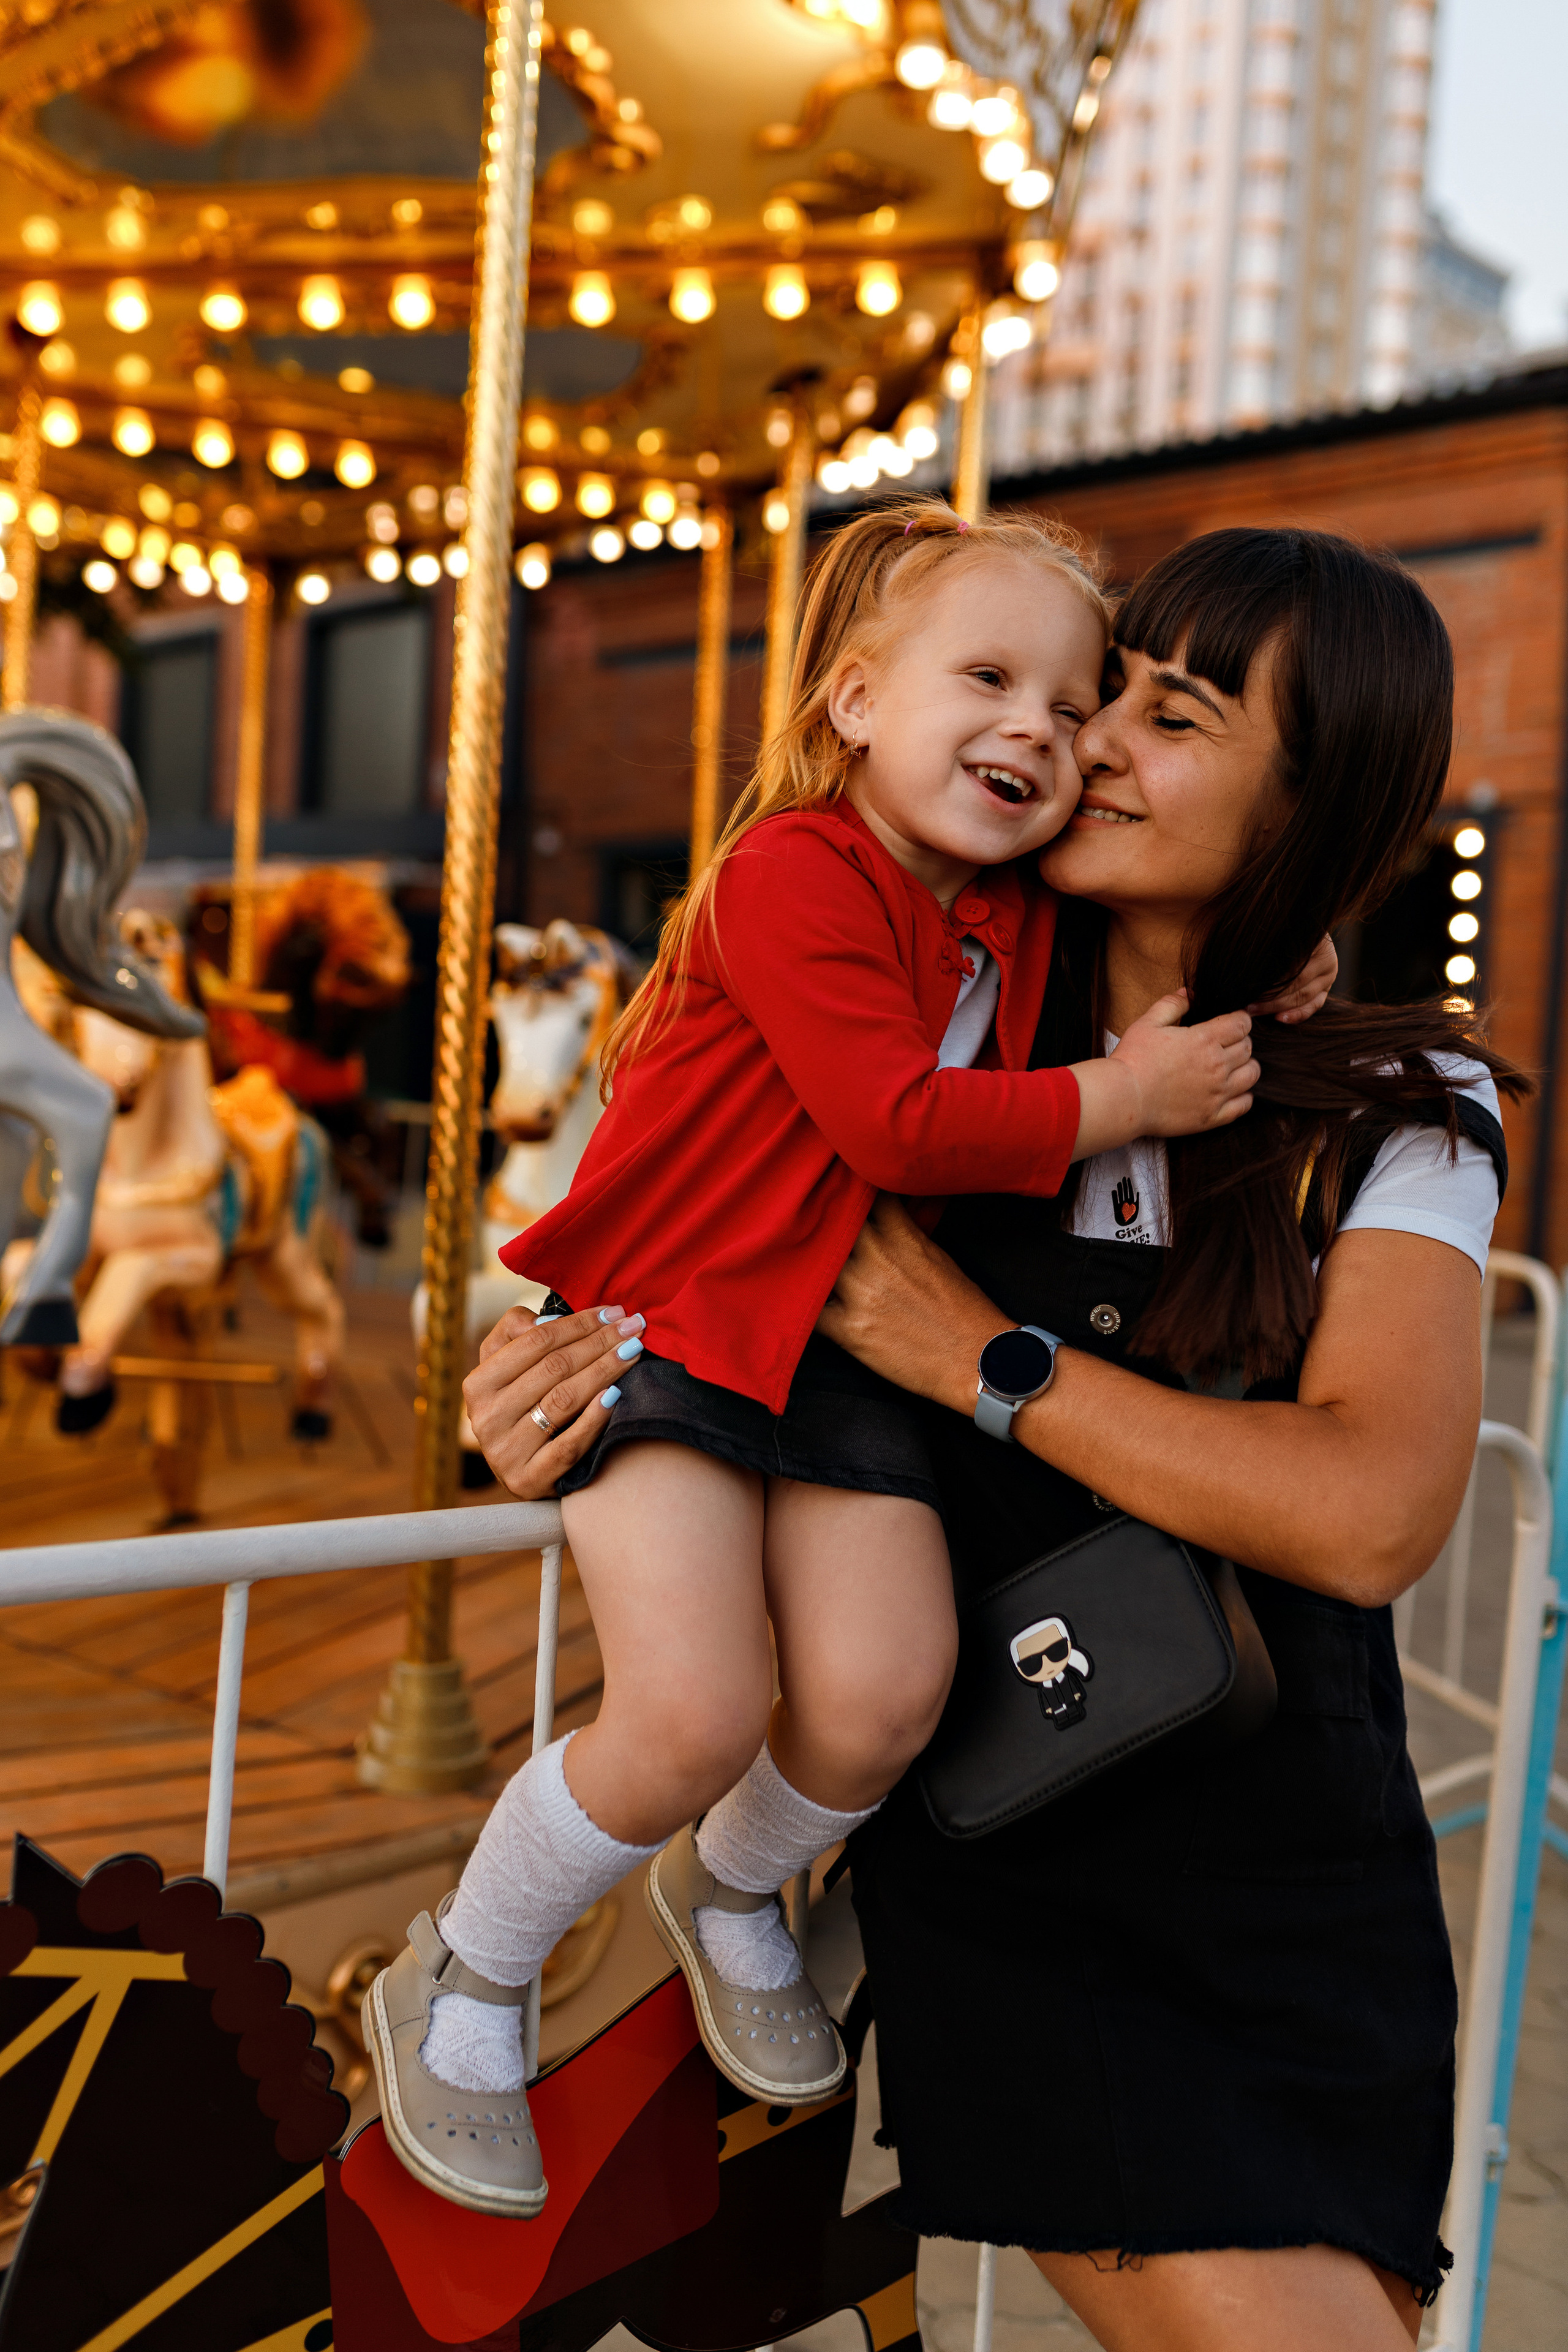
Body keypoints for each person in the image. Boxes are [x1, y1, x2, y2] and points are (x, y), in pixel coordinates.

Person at [363, 502, 1325, 2220]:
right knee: (694, 1702)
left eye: (1069, 699)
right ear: (856, 703)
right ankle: (474, 1964)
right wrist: (1128, 1098)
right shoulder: (796, 870)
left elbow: (1152, 949)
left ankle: (732, 1887)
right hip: (668, 1319)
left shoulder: (1015, 908)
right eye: (988, 678)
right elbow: (899, 1114)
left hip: (834, 1353)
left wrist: (1287, 947)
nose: (1034, 726)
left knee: (884, 1690)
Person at [809, 527, 1529, 2351]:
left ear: (1312, 805)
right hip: (1037, 1831)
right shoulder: (931, 1007)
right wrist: (565, 1380)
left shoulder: (1393, 1090)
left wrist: (988, 1357)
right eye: (1100, 686)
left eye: (1174, 712)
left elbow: (1372, 1509)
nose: (1092, 737)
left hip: (1299, 1853)